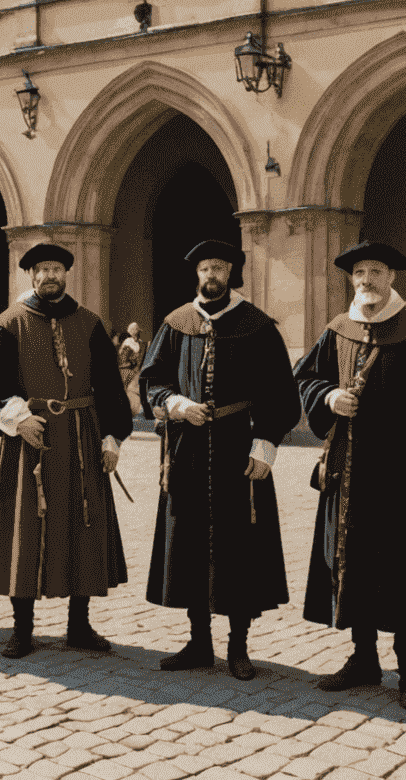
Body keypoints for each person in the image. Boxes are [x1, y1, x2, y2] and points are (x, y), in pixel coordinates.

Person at [294, 243, 406, 712]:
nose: (366, 279)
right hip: (349, 475)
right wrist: (329, 397)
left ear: (392, 276)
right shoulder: (337, 331)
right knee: (355, 566)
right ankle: (363, 659)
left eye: (376, 271)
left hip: (402, 478)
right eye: (359, 272)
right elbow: (305, 377)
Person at [141, 239, 300, 681]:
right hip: (187, 451)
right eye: (205, 268)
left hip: (239, 451)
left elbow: (282, 396)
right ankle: (198, 642)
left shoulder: (257, 325)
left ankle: (238, 647)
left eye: (219, 268)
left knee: (239, 550)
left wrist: (265, 445)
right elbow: (151, 379)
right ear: (196, 274)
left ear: (232, 273)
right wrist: (176, 404)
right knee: (190, 546)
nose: (211, 275)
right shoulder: (176, 323)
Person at [0, 242, 132, 659]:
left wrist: (112, 437)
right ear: (30, 276)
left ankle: (78, 625)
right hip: (31, 440)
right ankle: (21, 630)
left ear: (66, 274)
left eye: (56, 269)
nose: (49, 276)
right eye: (41, 269)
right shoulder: (8, 324)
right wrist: (18, 419)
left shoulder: (90, 323)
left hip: (82, 436)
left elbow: (111, 388)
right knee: (25, 529)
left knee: (82, 527)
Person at [118, 321, 144, 418]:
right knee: (125, 391)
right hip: (127, 371)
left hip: (133, 370)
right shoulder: (128, 342)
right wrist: (133, 363)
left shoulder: (138, 342)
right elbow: (123, 360)